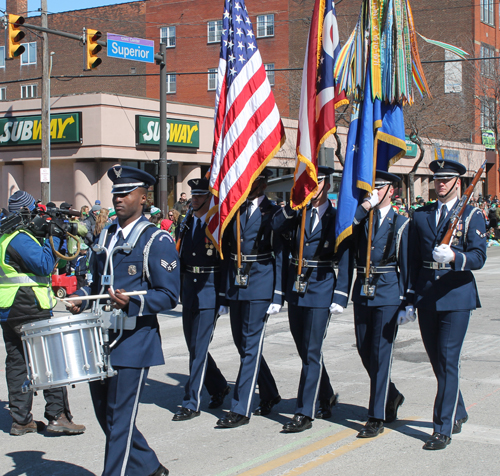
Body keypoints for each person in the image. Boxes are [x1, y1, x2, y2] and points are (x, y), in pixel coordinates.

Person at [67, 166, 179, 476]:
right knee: (106, 414)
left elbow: (169, 295)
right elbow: (95, 280)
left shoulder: (156, 239)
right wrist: (82, 296)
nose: (118, 198)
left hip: (134, 340)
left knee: (119, 418)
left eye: (125, 193)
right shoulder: (106, 234)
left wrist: (134, 301)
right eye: (115, 193)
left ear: (143, 198)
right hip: (101, 338)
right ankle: (149, 466)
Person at [407, 159, 487, 450]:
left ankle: (442, 427)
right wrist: (410, 297)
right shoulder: (421, 215)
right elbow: (413, 259)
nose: (440, 184)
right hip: (428, 294)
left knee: (448, 360)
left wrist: (455, 258)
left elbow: (479, 256)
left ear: (458, 183)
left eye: (446, 180)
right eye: (437, 180)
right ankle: (459, 409)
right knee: (438, 363)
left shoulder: (472, 215)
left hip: (456, 295)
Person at [0, 190, 86, 436]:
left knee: (17, 364)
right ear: (26, 213)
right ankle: (57, 416)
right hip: (29, 306)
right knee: (50, 360)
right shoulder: (19, 237)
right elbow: (45, 264)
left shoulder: (5, 235)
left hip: (10, 308)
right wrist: (57, 236)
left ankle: (21, 420)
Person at [271, 166, 349, 433]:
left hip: (321, 287)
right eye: (309, 183)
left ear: (327, 185)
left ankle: (304, 411)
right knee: (305, 349)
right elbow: (276, 227)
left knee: (312, 350)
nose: (312, 188)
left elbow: (346, 255)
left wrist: (341, 293)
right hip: (296, 287)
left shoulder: (337, 217)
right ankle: (325, 393)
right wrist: (293, 208)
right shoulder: (299, 213)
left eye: (317, 183)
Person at [216, 169, 283, 428]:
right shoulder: (234, 208)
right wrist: (223, 293)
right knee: (242, 344)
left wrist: (277, 293)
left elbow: (279, 253)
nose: (249, 185)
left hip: (260, 283)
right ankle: (269, 392)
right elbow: (227, 251)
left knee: (251, 346)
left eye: (254, 180)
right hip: (236, 283)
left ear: (264, 184)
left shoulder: (274, 212)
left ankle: (240, 408)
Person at [350, 171, 408, 438]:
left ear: (391, 191)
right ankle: (392, 394)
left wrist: (409, 300)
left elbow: (406, 265)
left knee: (381, 353)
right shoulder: (362, 220)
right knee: (364, 350)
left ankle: (376, 415)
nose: (372, 192)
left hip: (387, 292)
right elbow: (346, 232)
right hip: (362, 291)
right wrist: (363, 208)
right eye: (370, 188)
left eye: (379, 188)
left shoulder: (401, 223)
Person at [173, 178, 230, 421]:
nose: (193, 199)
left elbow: (225, 262)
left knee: (198, 349)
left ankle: (191, 401)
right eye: (193, 195)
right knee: (194, 347)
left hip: (209, 290)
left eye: (199, 196)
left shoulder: (216, 225)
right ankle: (219, 386)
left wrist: (223, 296)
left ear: (210, 199)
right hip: (189, 290)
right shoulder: (186, 223)